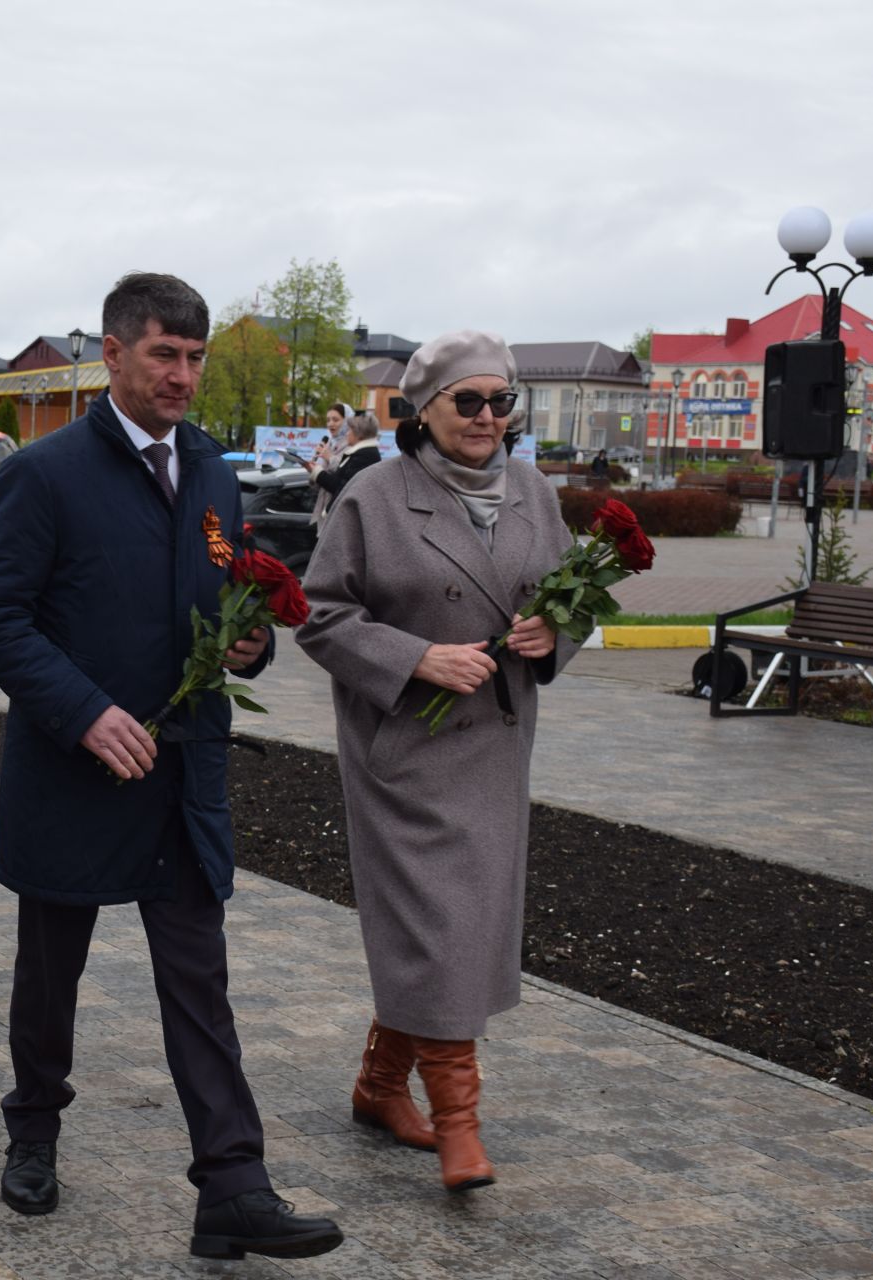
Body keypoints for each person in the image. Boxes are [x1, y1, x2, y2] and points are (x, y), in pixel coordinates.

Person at [0, 273, 343, 1262]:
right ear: (114, 352)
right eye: (165, 353)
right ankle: (32, 1129)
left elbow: (220, 590)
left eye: (196, 356)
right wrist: (84, 709)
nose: (183, 374)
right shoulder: (45, 474)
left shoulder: (212, 470)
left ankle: (232, 1183)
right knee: (50, 976)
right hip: (78, 771)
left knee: (199, 981)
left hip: (182, 775)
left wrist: (247, 643)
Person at [294, 331, 580, 1193]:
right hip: (406, 750)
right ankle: (461, 1126)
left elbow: (570, 597)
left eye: (502, 402)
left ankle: (382, 1086)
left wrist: (552, 631)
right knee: (439, 928)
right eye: (469, 401)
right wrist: (419, 657)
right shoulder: (375, 497)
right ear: (424, 410)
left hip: (495, 744)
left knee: (449, 933)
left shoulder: (533, 490)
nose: (488, 418)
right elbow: (321, 616)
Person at [307, 404, 382, 525]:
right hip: (332, 513)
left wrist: (319, 470)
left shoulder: (362, 454)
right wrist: (313, 469)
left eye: (335, 420)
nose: (330, 424)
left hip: (343, 519)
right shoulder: (333, 444)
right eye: (328, 420)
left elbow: (341, 486)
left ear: (359, 433)